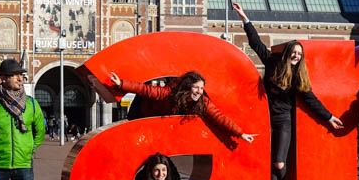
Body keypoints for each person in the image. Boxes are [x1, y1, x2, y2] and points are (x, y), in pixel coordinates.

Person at [232, 2, 344, 180]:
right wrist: (244, 18)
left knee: (278, 163)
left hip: (283, 120)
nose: (296, 56)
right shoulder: (273, 62)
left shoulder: (299, 77)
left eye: (299, 54)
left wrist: (329, 117)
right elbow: (256, 43)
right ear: (287, 53)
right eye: (294, 52)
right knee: (267, 159)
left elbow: (311, 99)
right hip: (265, 116)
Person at [108, 71, 256, 144]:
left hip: (158, 121)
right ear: (187, 87)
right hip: (142, 108)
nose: (199, 91)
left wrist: (240, 133)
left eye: (201, 88)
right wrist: (121, 84)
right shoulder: (168, 94)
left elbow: (219, 117)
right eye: (196, 87)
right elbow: (145, 89)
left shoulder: (202, 102)